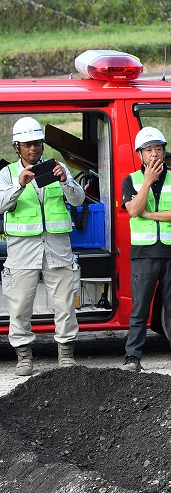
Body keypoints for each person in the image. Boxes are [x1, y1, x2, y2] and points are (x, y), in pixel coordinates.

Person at [0, 117, 85, 375]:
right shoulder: (6, 174)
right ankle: (24, 356)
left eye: (37, 143)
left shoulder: (58, 168)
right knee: (20, 306)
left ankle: (66, 354)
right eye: (27, 144)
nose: (33, 148)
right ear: (17, 147)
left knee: (65, 304)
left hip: (57, 250)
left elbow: (79, 198)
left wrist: (65, 181)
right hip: (23, 252)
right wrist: (19, 184)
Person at [121, 127, 171, 372]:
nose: (154, 154)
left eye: (158, 149)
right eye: (148, 150)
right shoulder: (131, 180)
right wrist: (147, 182)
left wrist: (150, 215)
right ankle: (132, 357)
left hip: (170, 253)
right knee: (140, 309)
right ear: (140, 155)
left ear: (164, 151)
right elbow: (133, 210)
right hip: (143, 254)